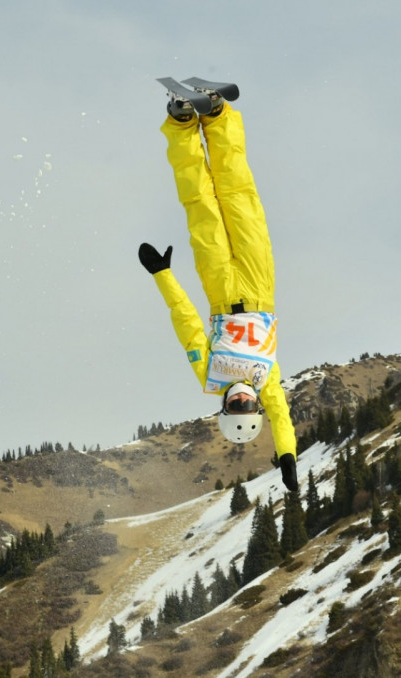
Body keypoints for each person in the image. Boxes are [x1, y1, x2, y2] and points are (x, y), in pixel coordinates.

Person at [138, 82, 298, 493]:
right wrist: (287, 457)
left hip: (220, 292)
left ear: (223, 406)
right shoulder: (267, 379)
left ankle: (181, 126)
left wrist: (163, 275)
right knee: (240, 197)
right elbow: (283, 419)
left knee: (202, 207)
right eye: (247, 406)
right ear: (257, 404)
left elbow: (187, 323)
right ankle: (216, 117)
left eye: (234, 406)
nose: (241, 398)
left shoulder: (210, 376)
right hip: (259, 284)